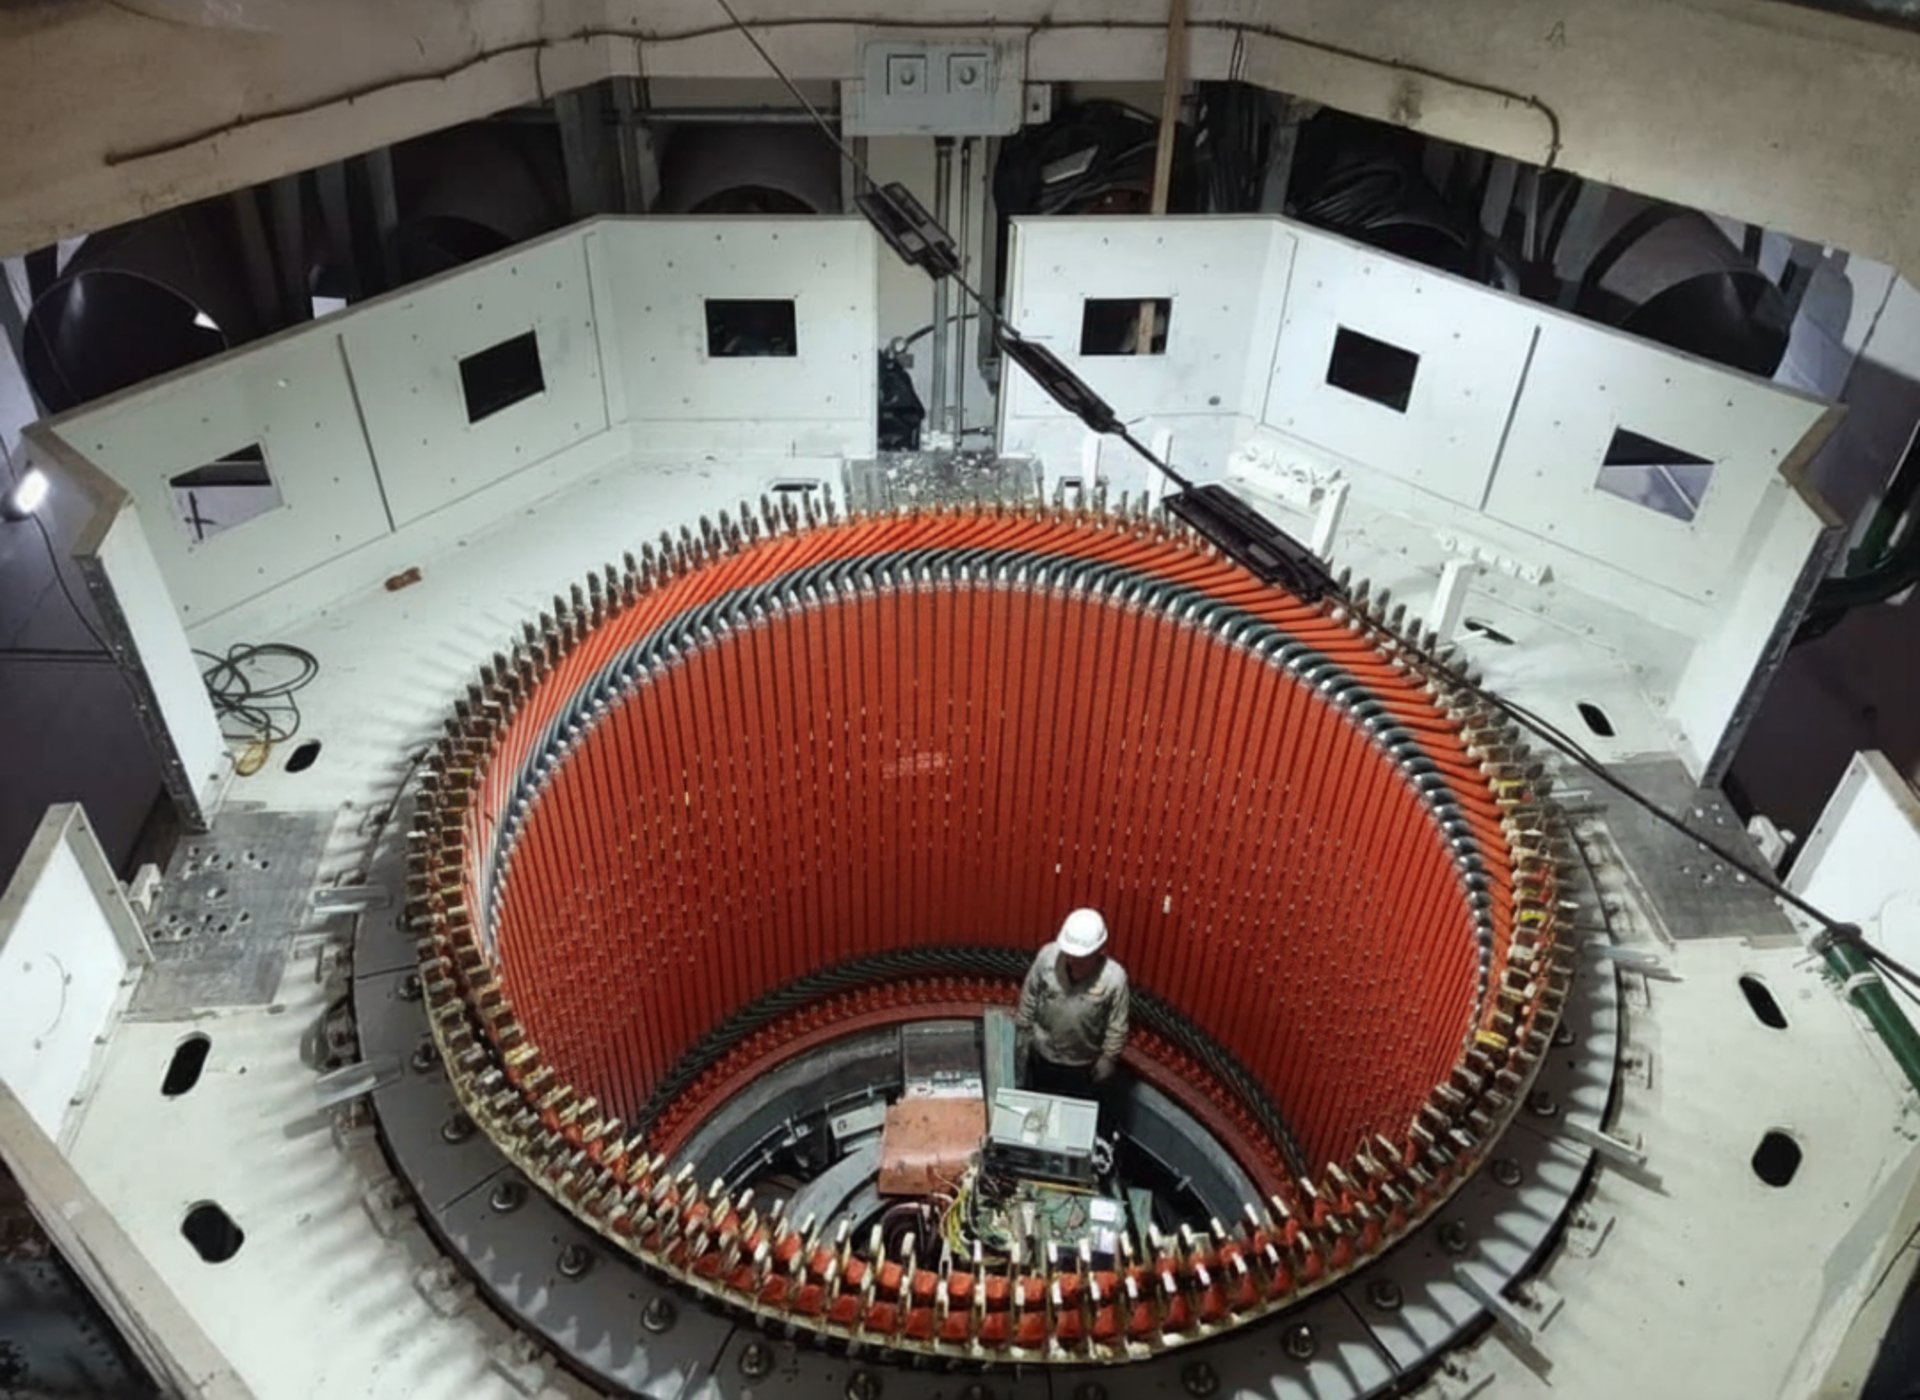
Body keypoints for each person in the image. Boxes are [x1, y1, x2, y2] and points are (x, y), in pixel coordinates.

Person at [1014, 908, 1131, 1110]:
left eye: (1081, 957)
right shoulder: (1047, 958)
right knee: (1038, 1106)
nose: (1072, 960)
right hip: (1043, 1054)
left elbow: (1117, 1025)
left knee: (1072, 1112)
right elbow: (1030, 994)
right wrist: (1023, 1033)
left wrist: (1108, 1058)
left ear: (1098, 951)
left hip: (1081, 1064)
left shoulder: (1114, 979)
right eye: (1070, 954)